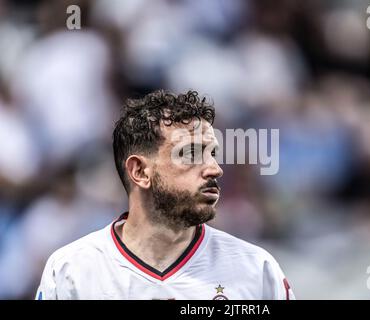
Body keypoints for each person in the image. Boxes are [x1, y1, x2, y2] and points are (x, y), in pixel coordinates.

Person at [36, 90, 295, 300]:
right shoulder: (72, 271)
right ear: (139, 171)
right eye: (191, 154)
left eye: (212, 153)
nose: (215, 169)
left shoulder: (256, 270)